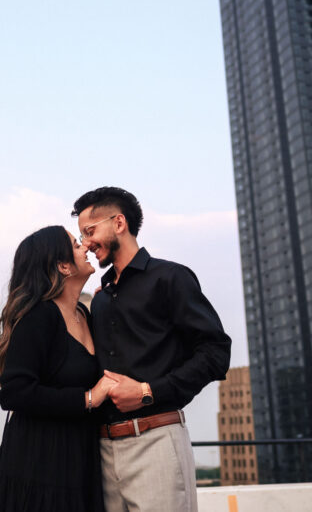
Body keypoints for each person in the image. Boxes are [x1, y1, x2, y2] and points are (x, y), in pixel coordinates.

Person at [73, 187, 231, 512]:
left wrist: (147, 391)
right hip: (101, 450)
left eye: (90, 231)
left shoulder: (171, 277)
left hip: (156, 440)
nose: (86, 243)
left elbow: (216, 353)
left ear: (119, 223)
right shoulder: (101, 297)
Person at [0, 225, 117, 512]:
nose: (86, 247)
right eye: (76, 244)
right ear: (63, 266)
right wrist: (89, 398)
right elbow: (15, 392)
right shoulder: (39, 316)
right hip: (40, 464)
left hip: (80, 461)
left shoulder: (84, 314)